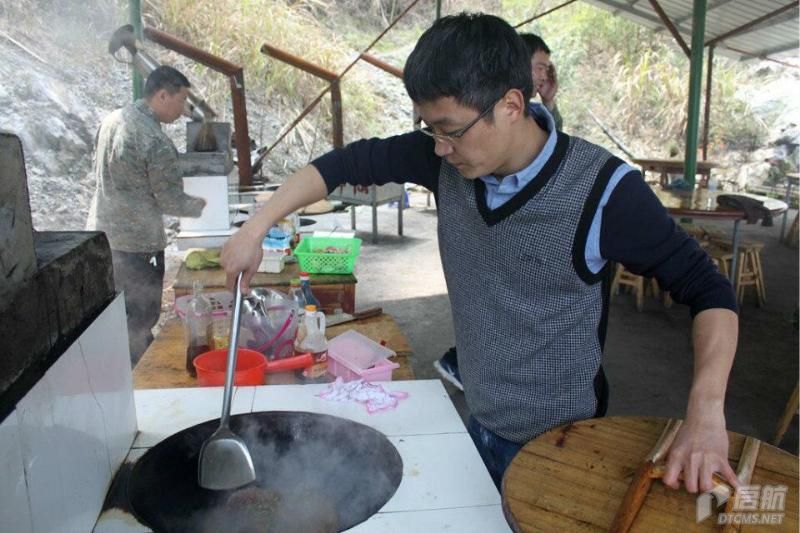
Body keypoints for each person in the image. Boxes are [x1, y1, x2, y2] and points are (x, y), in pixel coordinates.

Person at [221, 12, 740, 492]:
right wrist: (256, 226)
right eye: (430, 130)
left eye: (450, 131)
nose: (439, 147)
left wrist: (705, 412)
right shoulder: (445, 158)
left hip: (561, 442)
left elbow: (708, 290)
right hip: (478, 413)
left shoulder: (604, 191)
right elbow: (344, 164)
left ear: (511, 105)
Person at [433, 30, 565, 390]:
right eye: (538, 66)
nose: (543, 74)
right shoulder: (464, 148)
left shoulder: (596, 179)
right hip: (486, 391)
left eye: (547, 68)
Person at [86, 65, 206, 365]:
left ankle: (117, 369)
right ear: (162, 95)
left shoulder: (112, 120)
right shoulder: (155, 140)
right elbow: (170, 200)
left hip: (102, 235)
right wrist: (204, 205)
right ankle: (141, 375)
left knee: (116, 314)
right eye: (181, 100)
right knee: (141, 317)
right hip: (138, 245)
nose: (183, 110)